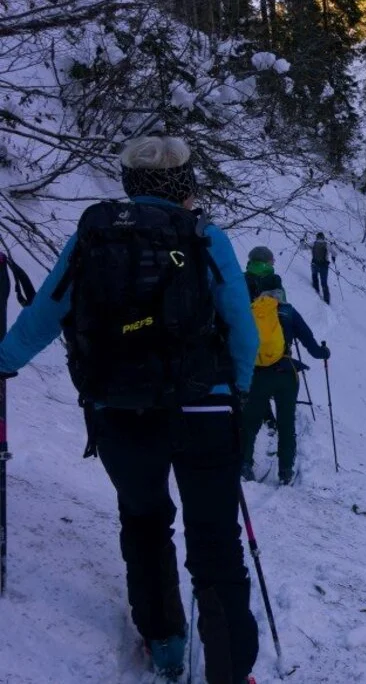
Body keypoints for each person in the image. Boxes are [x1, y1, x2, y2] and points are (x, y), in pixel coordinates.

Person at [0, 136, 259, 683]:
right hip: (203, 410)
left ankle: (164, 645)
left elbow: (46, 312)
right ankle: (231, 671)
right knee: (215, 540)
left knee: (144, 524)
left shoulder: (92, 239)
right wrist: (235, 391)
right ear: (185, 183)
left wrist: (4, 360)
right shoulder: (205, 237)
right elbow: (241, 324)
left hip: (118, 409)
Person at [241, 270, 329, 485]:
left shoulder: (252, 311)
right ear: (281, 292)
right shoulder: (289, 312)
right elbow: (312, 347)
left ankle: (244, 463)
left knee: (250, 422)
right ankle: (285, 470)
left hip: (258, 375)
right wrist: (324, 353)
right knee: (286, 423)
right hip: (286, 376)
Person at [311, 232, 334, 304]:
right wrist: (333, 257)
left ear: (317, 237)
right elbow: (334, 253)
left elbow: (303, 247)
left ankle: (316, 291)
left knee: (315, 277)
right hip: (324, 266)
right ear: (323, 237)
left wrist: (302, 242)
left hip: (314, 264)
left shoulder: (313, 243)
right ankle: (327, 300)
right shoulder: (327, 244)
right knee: (324, 283)